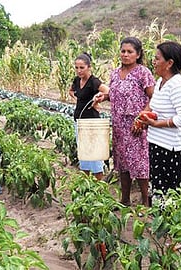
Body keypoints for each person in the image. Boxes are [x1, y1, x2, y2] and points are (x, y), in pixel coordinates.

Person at [95, 37, 155, 207]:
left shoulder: (143, 72)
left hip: (137, 126)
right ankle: (125, 199)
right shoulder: (115, 73)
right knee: (122, 163)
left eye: (130, 52)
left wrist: (142, 119)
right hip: (119, 125)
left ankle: (145, 202)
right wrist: (103, 96)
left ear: (138, 54)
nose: (125, 55)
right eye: (123, 51)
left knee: (141, 163)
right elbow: (114, 94)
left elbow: (153, 97)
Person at [139, 41, 181, 205]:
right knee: (158, 190)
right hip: (158, 144)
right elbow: (155, 106)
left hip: (172, 149)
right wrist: (144, 116)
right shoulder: (160, 82)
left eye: (157, 59)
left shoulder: (177, 84)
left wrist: (156, 124)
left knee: (170, 195)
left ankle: (170, 227)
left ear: (169, 63)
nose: (153, 62)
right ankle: (160, 224)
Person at [69, 52, 110, 180]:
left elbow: (108, 91)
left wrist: (97, 100)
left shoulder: (94, 82)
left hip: (92, 123)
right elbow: (71, 91)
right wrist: (78, 100)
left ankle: (99, 186)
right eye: (76, 67)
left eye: (82, 67)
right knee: (84, 154)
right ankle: (86, 184)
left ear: (89, 67)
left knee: (95, 155)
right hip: (79, 122)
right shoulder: (77, 80)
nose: (79, 70)